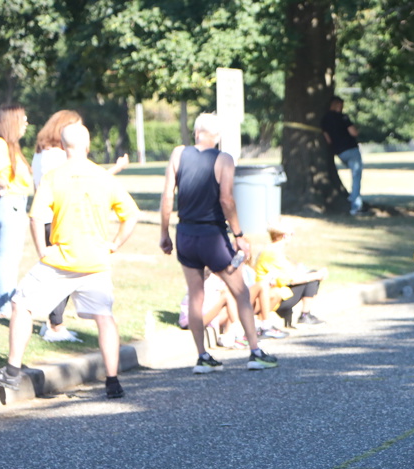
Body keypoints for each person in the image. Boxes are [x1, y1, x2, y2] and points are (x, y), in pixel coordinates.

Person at [0, 123, 137, 399]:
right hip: (96, 261)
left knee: (20, 303)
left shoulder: (53, 177)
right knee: (104, 317)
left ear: (62, 145)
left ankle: (11, 372)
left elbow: (36, 217)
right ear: (88, 144)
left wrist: (42, 250)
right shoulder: (103, 176)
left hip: (61, 260)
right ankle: (112, 381)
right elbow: (130, 215)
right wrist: (115, 244)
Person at [159, 112, 278, 373]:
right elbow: (226, 200)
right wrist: (239, 235)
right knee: (241, 291)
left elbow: (167, 197)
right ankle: (255, 352)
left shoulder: (178, 154)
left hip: (185, 233)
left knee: (196, 295)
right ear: (218, 136)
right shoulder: (224, 159)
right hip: (211, 235)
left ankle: (202, 356)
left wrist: (164, 233)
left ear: (196, 132)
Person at [32, 110, 130, 342]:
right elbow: (82, 181)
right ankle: (55, 325)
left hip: (48, 216)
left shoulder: (40, 153)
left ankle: (54, 323)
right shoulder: (58, 157)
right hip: (58, 218)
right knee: (65, 274)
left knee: (59, 273)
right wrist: (116, 169)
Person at [0, 104, 33, 319]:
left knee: (10, 258)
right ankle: (6, 307)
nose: (26, 124)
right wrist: (3, 185)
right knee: (7, 258)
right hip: (9, 204)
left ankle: (6, 302)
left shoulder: (9, 146)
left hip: (13, 204)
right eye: (22, 119)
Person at [254, 219, 327, 327]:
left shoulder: (273, 250)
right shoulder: (272, 252)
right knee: (313, 276)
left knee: (311, 274)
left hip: (276, 290)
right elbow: (291, 279)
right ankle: (305, 315)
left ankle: (304, 315)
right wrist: (317, 275)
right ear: (284, 236)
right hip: (273, 295)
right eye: (292, 234)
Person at [320, 96, 364, 215]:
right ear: (336, 105)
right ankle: (356, 204)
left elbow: (328, 139)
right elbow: (353, 132)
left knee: (354, 173)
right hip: (351, 149)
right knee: (356, 176)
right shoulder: (343, 117)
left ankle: (353, 198)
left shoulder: (324, 120)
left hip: (339, 152)